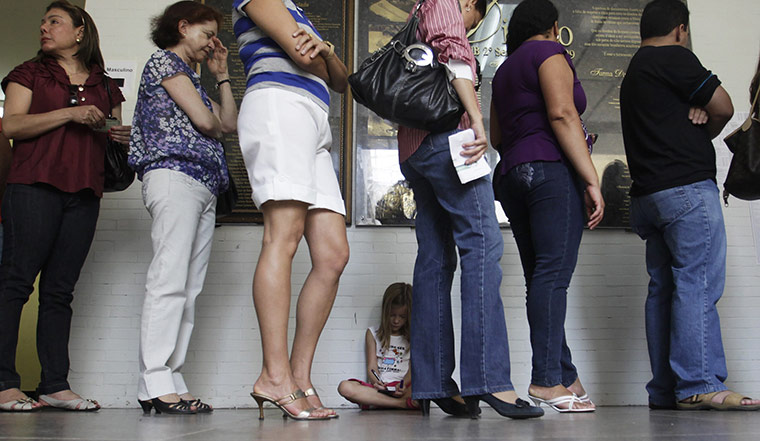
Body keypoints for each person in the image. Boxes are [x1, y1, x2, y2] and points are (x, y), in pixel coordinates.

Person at [398, 0, 543, 420]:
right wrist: (476, 118)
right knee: (482, 245)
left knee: (434, 259)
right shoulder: (442, 3)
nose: (468, 24)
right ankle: (490, 379)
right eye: (472, 17)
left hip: (415, 149)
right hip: (450, 139)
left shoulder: (414, 13)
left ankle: (435, 382)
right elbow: (454, 53)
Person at [620, 0, 760, 411]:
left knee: (663, 290)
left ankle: (667, 389)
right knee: (697, 285)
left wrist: (692, 114)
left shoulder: (634, 73)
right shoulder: (675, 59)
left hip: (648, 198)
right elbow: (725, 106)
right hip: (686, 193)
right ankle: (699, 383)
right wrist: (707, 121)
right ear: (681, 29)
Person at [0, 0, 128, 412]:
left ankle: (54, 385)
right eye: (42, 22)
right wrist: (69, 115)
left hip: (84, 192)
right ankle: (4, 384)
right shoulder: (28, 73)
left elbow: (109, 132)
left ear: (79, 32)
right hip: (32, 186)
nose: (43, 27)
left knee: (59, 291)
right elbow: (11, 125)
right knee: (16, 284)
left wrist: (119, 137)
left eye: (53, 21)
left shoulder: (107, 86)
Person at [233, 0, 349, 420]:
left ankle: (299, 377)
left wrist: (327, 53)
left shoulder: (297, 10)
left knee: (333, 254)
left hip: (314, 116)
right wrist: (320, 52)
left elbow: (339, 80)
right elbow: (305, 56)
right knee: (283, 235)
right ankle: (273, 375)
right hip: (279, 106)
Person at [489, 0, 603, 413]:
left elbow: (497, 135)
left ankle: (565, 375)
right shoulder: (551, 52)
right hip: (550, 170)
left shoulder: (502, 71)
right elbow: (562, 113)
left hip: (512, 175)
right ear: (554, 27)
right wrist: (591, 178)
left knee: (541, 277)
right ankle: (545, 380)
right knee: (553, 277)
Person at [129, 1, 237, 415]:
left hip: (204, 185)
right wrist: (209, 112)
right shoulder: (164, 63)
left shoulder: (194, 78)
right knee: (169, 279)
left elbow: (229, 123)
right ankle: (153, 381)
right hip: (174, 177)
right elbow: (208, 124)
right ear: (183, 25)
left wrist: (223, 76)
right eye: (207, 33)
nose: (213, 42)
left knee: (189, 288)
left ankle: (172, 377)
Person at [337, 282, 418, 410]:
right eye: (392, 315)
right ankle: (401, 404)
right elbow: (372, 366)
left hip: (403, 387)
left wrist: (403, 385)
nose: (396, 321)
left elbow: (412, 369)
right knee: (345, 387)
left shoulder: (415, 337)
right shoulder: (372, 333)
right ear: (385, 312)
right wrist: (377, 382)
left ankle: (377, 402)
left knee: (425, 388)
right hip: (380, 388)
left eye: (402, 317)